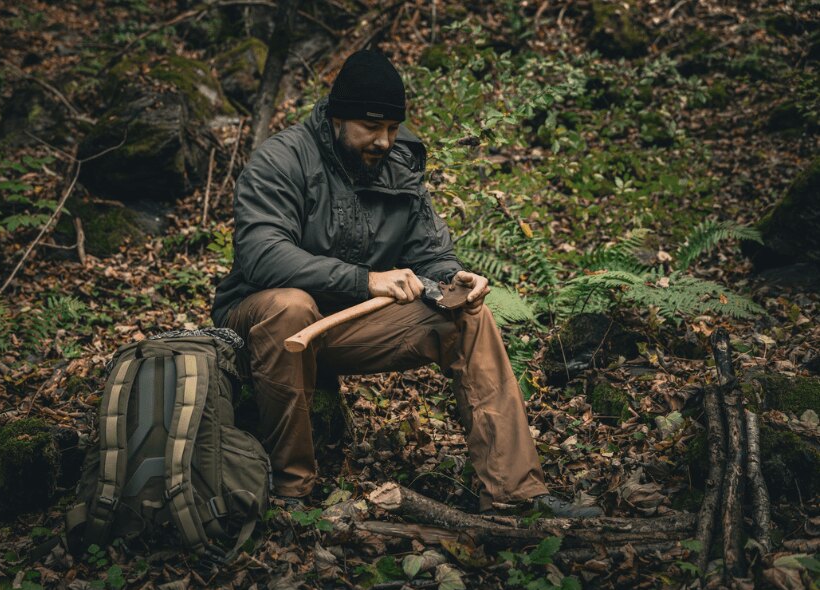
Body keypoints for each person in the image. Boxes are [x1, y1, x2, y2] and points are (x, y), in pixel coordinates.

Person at [211, 50, 601, 518]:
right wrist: (366, 279)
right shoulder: (282, 159)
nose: (384, 140)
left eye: (393, 128)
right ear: (338, 117)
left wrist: (454, 278)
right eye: (370, 127)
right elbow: (261, 255)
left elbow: (430, 254)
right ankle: (291, 490)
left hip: (347, 324)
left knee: (466, 316)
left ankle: (514, 491)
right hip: (263, 324)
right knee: (290, 305)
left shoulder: (399, 164)